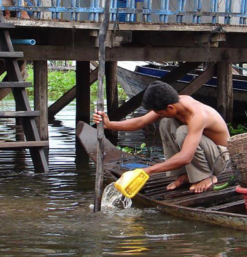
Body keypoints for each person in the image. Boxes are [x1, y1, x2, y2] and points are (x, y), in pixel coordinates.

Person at [93, 81, 230, 193]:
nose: (158, 114)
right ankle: (184, 175)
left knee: (183, 131)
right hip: (205, 152)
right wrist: (110, 124)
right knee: (165, 122)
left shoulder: (198, 116)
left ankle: (206, 177)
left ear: (170, 107)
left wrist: (148, 170)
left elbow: (185, 157)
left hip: (219, 159)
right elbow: (141, 122)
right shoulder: (176, 104)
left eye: (159, 112)